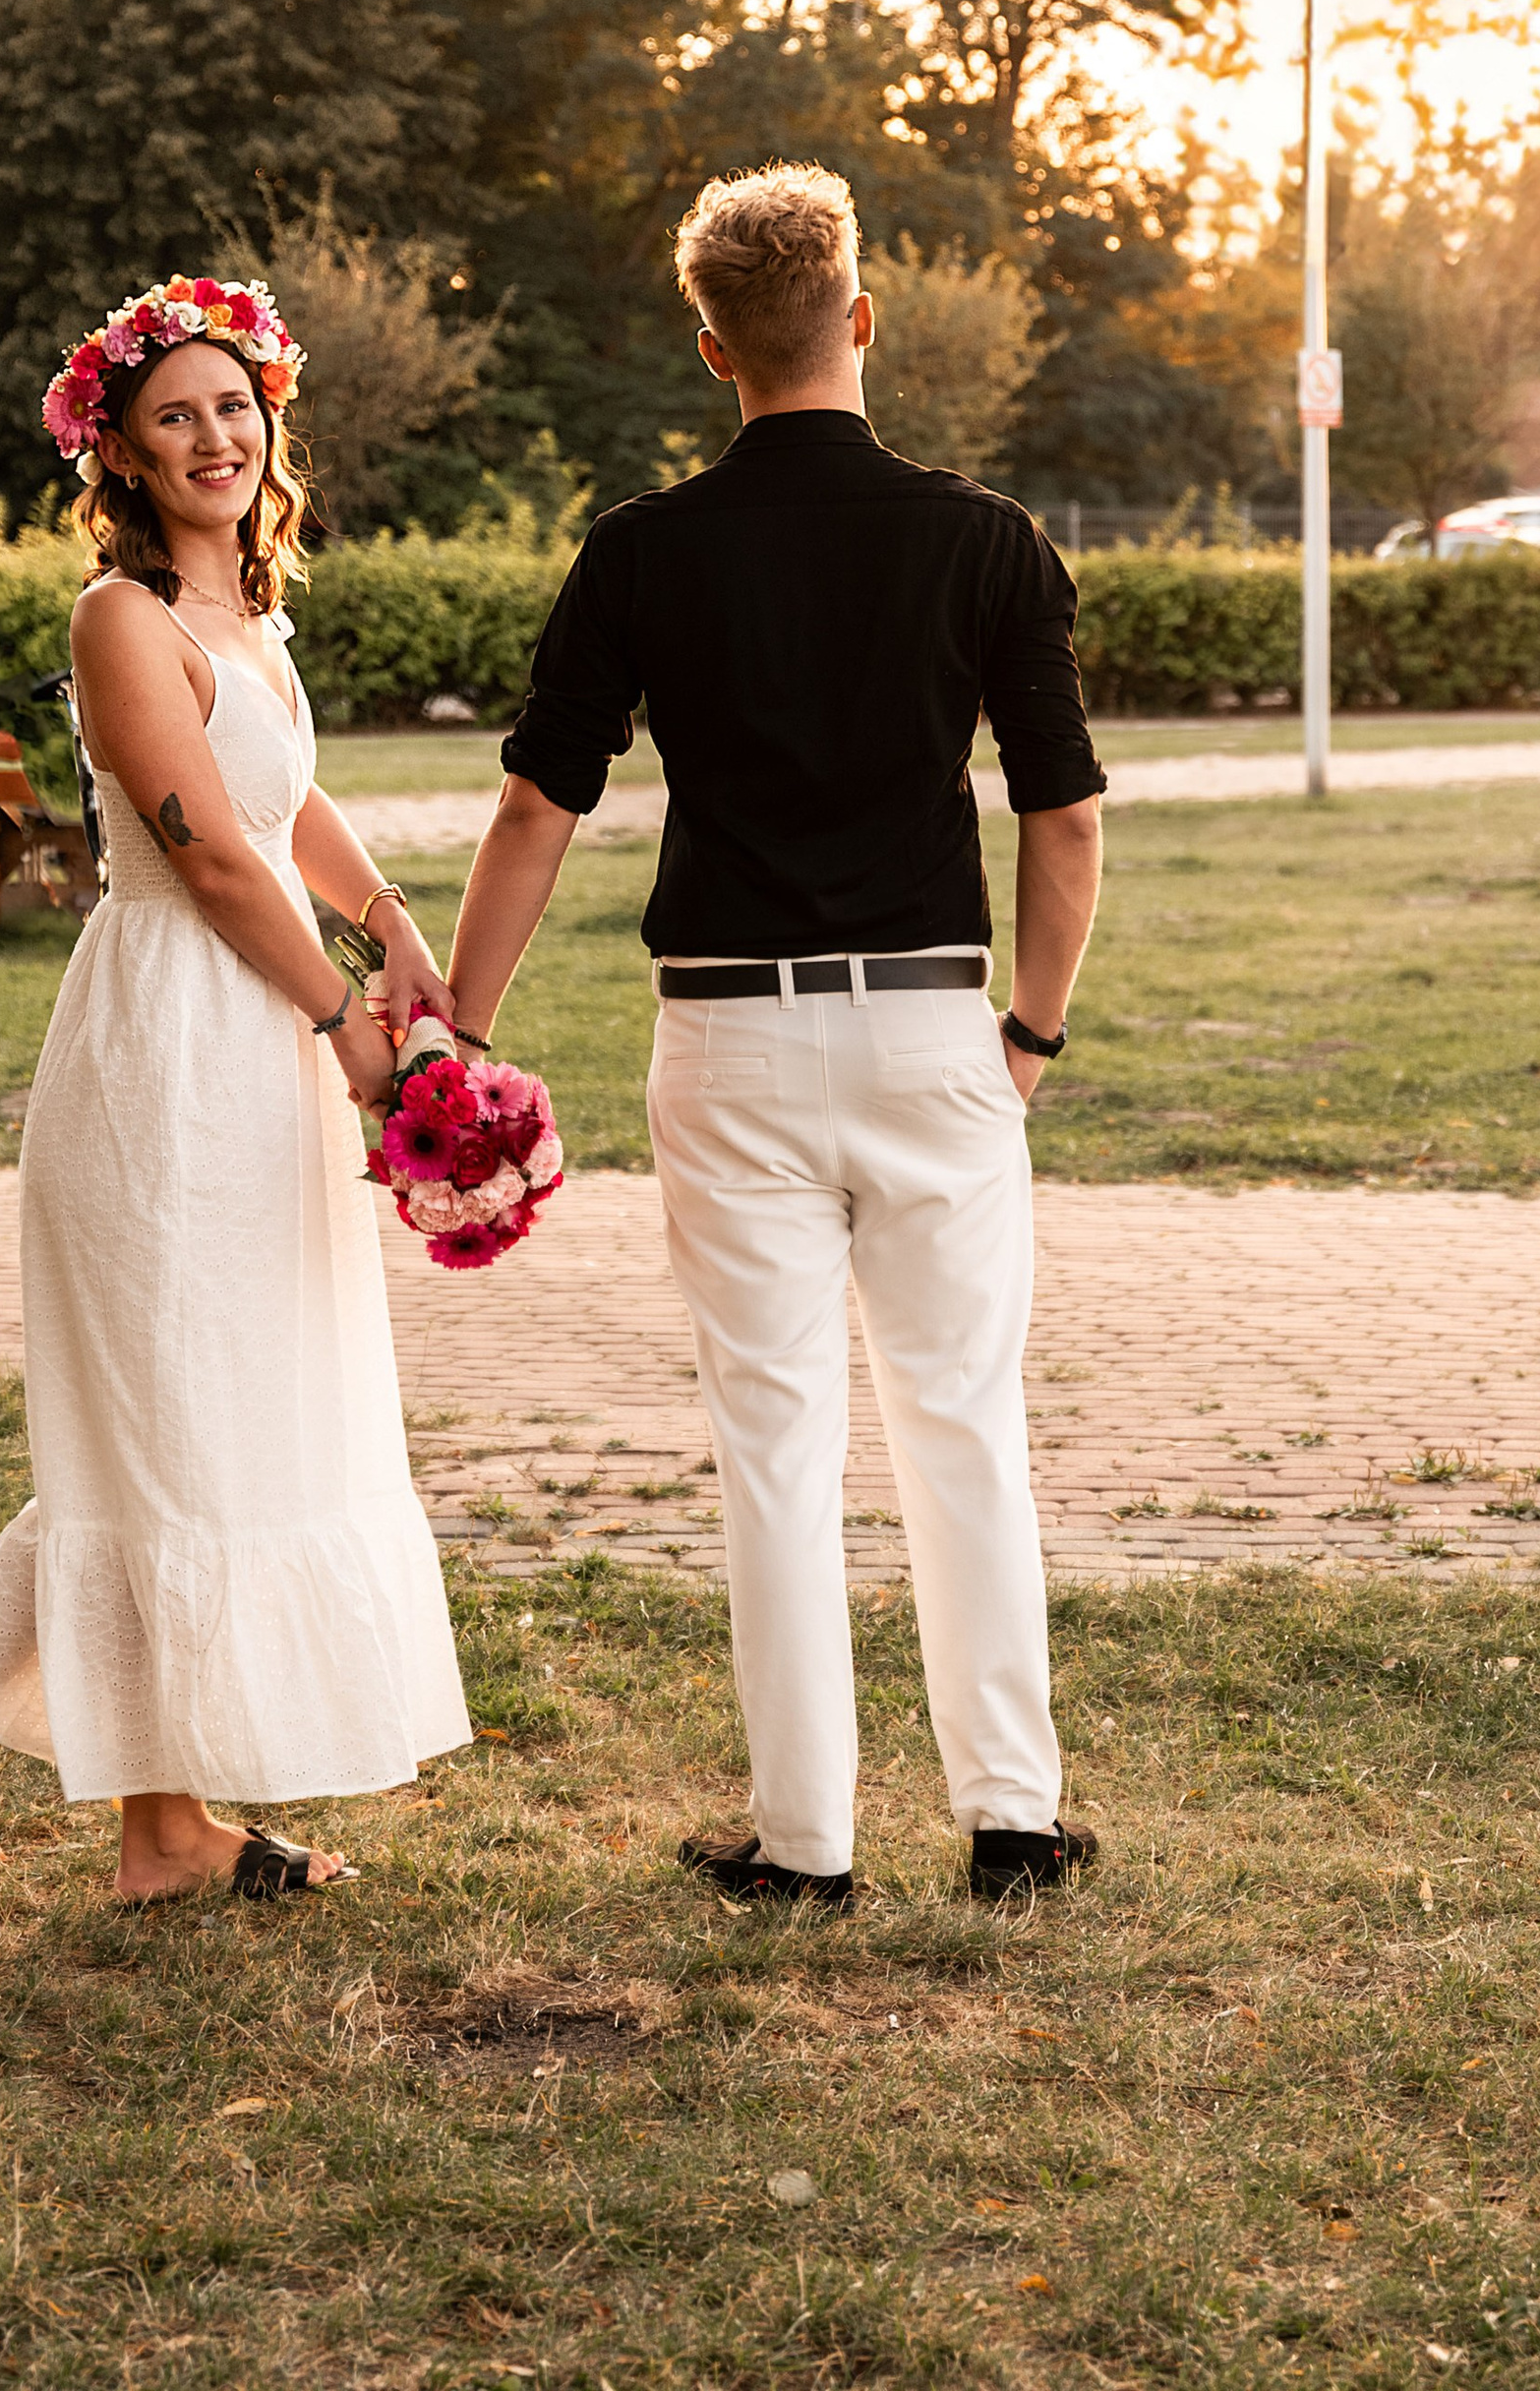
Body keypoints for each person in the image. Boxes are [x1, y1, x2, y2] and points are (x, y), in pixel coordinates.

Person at [441, 167, 1103, 1911]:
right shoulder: (988, 540)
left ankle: (805, 1847)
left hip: (728, 1043)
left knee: (776, 1441)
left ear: (711, 345)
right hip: (932, 1029)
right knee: (963, 1420)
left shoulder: (643, 552)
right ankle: (1014, 1824)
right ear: (862, 319)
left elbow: (534, 812)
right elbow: (1067, 822)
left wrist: (461, 1034)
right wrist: (1027, 1034)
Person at [0, 275, 469, 1950]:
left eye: (234, 407)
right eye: (177, 416)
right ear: (125, 450)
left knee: (208, 1431)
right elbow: (215, 856)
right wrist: (344, 1024)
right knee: (154, 1444)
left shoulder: (250, 620)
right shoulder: (123, 618)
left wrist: (398, 932)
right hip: (170, 1046)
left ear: (270, 422)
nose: (215, 436)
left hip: (261, 1045)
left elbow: (287, 807)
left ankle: (164, 1835)